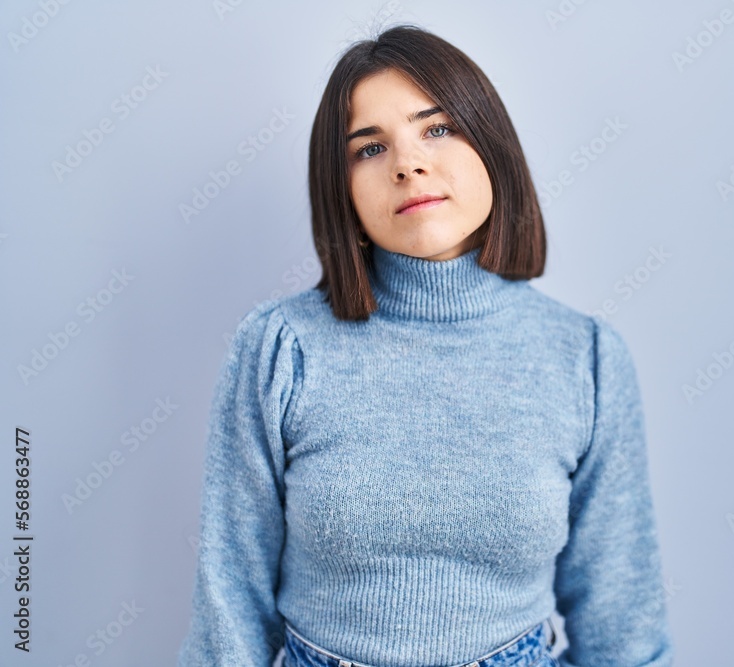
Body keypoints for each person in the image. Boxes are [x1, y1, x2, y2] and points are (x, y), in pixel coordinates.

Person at [177, 23, 674, 667]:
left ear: (491, 145)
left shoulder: (585, 358)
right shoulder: (280, 350)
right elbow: (230, 602)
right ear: (343, 189)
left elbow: (622, 624)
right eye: (368, 148)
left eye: (437, 129)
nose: (408, 163)